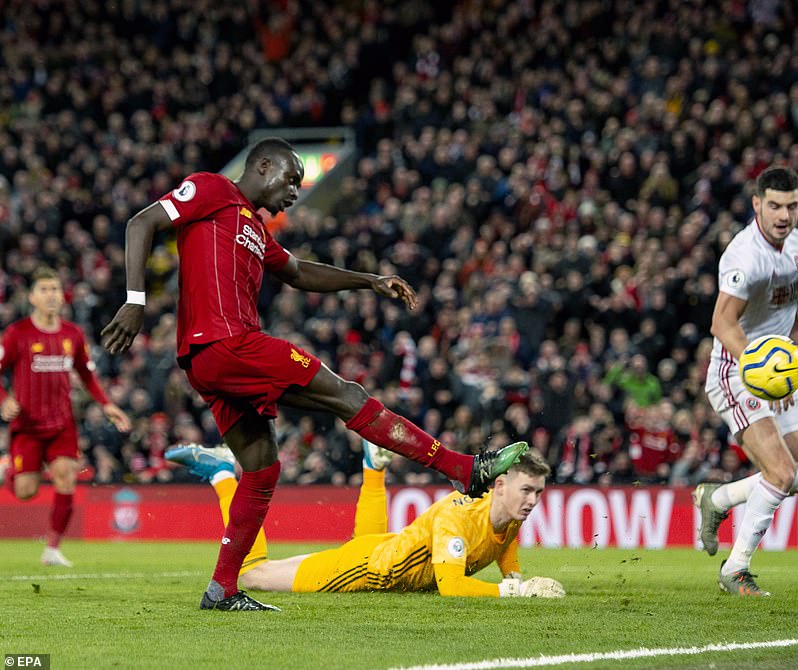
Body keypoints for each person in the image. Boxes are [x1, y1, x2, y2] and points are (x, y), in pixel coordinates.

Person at [100, 137, 528, 611]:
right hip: (228, 344)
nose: (294, 192)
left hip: (214, 362)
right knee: (345, 394)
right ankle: (463, 469)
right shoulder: (211, 189)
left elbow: (300, 272)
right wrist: (135, 302)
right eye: (290, 180)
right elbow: (142, 221)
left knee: (263, 467)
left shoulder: (255, 229)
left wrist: (368, 281)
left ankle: (222, 589)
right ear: (263, 166)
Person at [164, 441, 564, 601]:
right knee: (251, 574)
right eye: (527, 491)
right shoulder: (456, 518)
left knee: (376, 546)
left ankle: (374, 468)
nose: (533, 501)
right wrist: (515, 592)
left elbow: (504, 546)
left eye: (539, 493)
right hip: (361, 571)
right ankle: (220, 474)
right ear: (498, 485)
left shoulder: (509, 515)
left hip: (384, 553)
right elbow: (452, 586)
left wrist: (513, 577)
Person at [695, 167, 798, 596]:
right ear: (757, 204)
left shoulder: (797, 243)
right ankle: (734, 570)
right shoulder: (744, 256)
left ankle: (717, 500)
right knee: (779, 470)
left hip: (777, 366)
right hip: (736, 371)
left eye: (792, 205)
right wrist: (759, 375)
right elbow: (722, 322)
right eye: (774, 205)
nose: (784, 214)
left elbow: (785, 309)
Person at [1, 267, 132, 566]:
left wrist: (106, 404)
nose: (51, 295)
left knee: (66, 477)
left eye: (55, 289)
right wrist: (5, 399)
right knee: (25, 492)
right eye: (44, 289)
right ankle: (7, 470)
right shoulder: (17, 334)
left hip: (62, 424)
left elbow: (86, 374)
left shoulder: (72, 334)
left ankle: (52, 548)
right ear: (32, 297)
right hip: (28, 427)